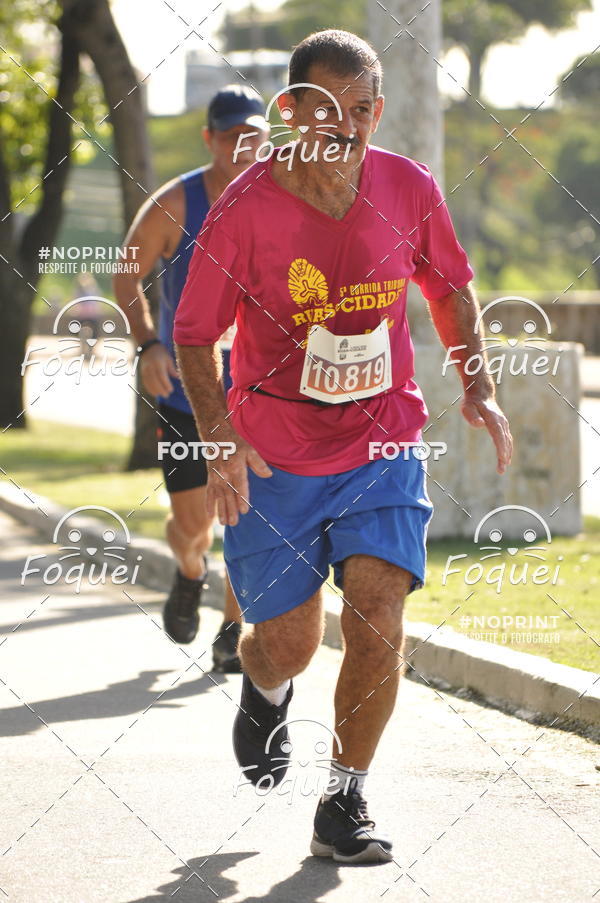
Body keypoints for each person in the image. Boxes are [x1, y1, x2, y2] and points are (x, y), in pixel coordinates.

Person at [174, 31, 513, 863]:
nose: (347, 127)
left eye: (361, 110)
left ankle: (343, 798)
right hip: (273, 450)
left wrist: (477, 384)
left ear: (378, 111)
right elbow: (194, 333)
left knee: (379, 610)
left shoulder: (407, 186)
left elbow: (450, 287)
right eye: (328, 110)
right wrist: (218, 437)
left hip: (381, 438)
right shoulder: (246, 207)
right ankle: (264, 684)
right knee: (288, 641)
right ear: (291, 110)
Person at [113, 85, 270, 671]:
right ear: (210, 139)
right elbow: (126, 275)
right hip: (186, 392)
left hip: (259, 393)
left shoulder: (284, 196)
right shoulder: (177, 203)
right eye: (231, 136)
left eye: (254, 135)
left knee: (247, 517)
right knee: (193, 524)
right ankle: (188, 568)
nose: (243, 146)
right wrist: (148, 344)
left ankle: (233, 630)